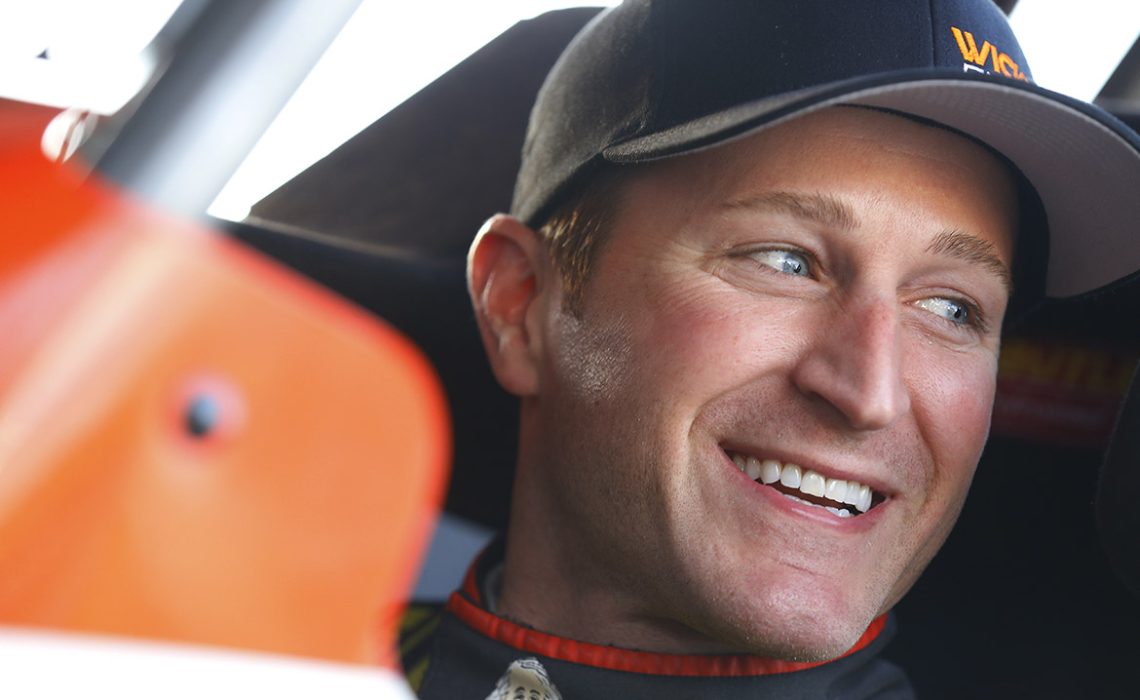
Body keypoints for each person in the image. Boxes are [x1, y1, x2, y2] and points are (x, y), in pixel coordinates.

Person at [400, 1, 1140, 697]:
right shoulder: (300, 660)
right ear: (519, 303)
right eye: (785, 261)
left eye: (953, 308)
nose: (868, 392)